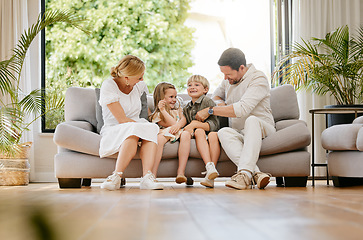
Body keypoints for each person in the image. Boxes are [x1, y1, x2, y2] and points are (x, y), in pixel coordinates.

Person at [195, 48, 276, 190]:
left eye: (228, 74)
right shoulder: (229, 80)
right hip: (240, 132)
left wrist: (211, 110)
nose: (225, 78)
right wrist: (220, 104)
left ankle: (244, 174)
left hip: (262, 128)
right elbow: (215, 96)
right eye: (223, 74)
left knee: (251, 120)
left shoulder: (258, 78)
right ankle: (256, 173)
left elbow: (242, 109)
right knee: (223, 132)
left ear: (241, 68)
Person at [99, 55, 163, 190]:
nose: (142, 79)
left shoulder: (140, 86)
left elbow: (147, 110)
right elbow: (121, 119)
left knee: (150, 129)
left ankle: (147, 177)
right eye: (139, 77)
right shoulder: (109, 85)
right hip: (115, 126)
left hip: (136, 123)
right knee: (133, 132)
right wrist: (141, 127)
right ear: (126, 77)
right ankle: (116, 176)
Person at [176, 75, 221, 188]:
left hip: (209, 132)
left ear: (205, 89)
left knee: (202, 131)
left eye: (196, 85)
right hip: (196, 134)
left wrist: (195, 124)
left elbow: (214, 125)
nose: (192, 87)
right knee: (194, 132)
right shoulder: (187, 107)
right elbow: (186, 124)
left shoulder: (207, 101)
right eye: (189, 85)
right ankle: (183, 172)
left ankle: (210, 169)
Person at [150, 82, 184, 176]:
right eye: (171, 97)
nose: (174, 100)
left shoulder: (178, 110)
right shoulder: (158, 114)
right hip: (170, 132)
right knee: (159, 139)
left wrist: (179, 124)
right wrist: (163, 110)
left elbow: (181, 121)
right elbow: (173, 124)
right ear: (161, 98)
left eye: (175, 97)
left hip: (180, 132)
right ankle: (153, 174)